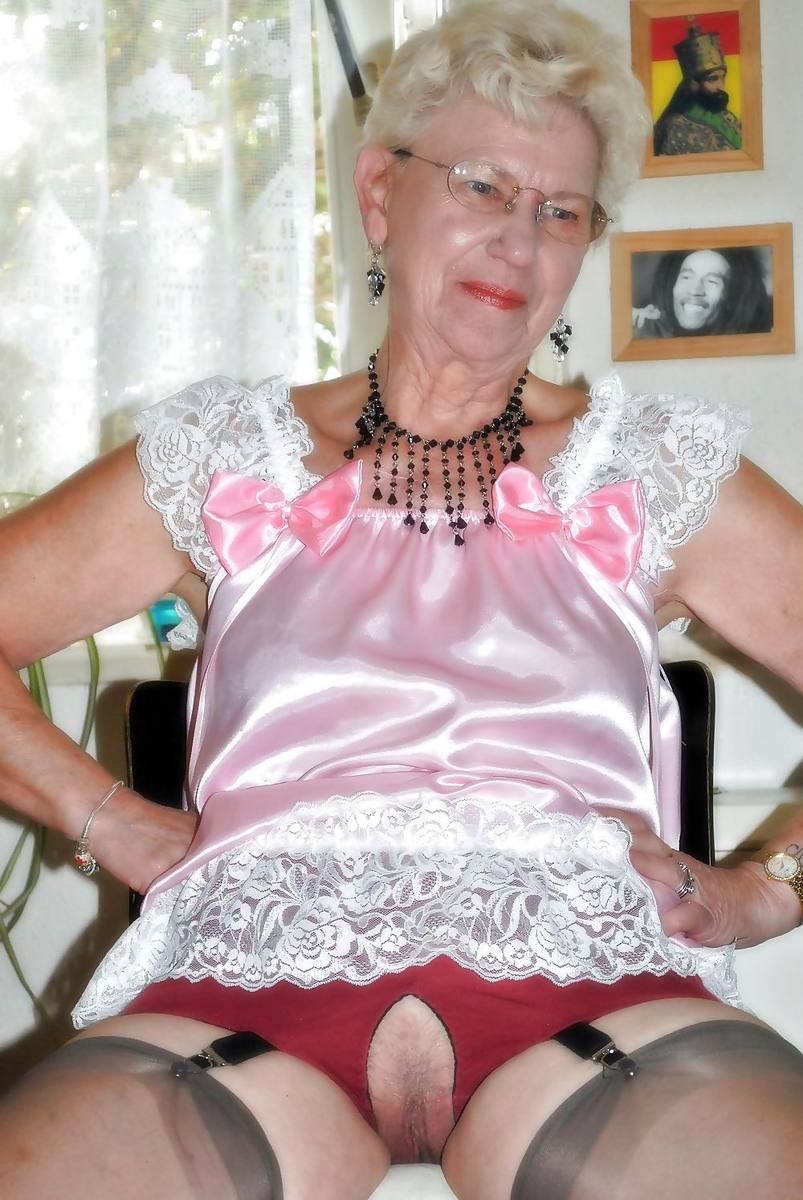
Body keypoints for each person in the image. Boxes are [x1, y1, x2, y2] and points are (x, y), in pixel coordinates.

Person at [1, 2, 803, 1197]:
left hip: (598, 996)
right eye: (481, 186)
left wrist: (765, 891)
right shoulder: (225, 455)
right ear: (380, 195)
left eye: (559, 210)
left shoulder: (655, 469)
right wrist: (105, 816)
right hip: (235, 992)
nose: (517, 242)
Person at [633, 246, 773, 338]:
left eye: (712, 281)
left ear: (732, 297)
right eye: (686, 277)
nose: (694, 290)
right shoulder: (650, 330)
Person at [653, 23, 743, 155]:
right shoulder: (674, 126)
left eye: (722, 77)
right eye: (713, 79)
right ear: (694, 84)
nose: (721, 86)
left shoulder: (728, 117)